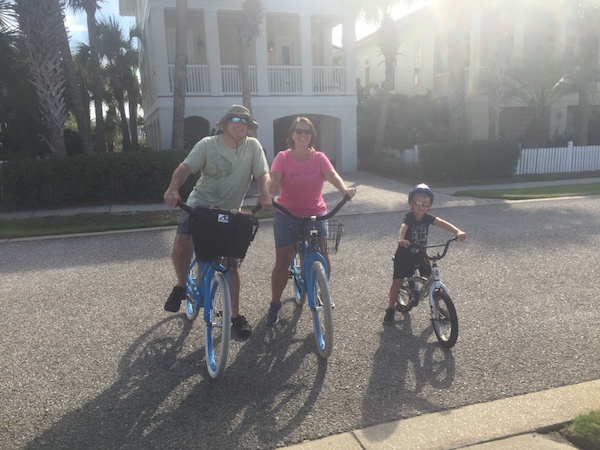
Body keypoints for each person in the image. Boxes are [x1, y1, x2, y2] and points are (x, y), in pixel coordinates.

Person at [163, 105, 272, 339]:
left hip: (230, 211)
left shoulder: (252, 147)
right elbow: (184, 168)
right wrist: (173, 188)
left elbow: (263, 174)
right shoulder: (207, 144)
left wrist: (264, 193)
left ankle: (236, 317)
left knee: (232, 263)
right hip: (199, 207)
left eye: (245, 120)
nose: (240, 123)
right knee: (182, 245)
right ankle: (181, 286)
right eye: (235, 119)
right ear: (225, 123)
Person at [265, 116, 356, 326]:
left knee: (323, 254)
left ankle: (323, 291)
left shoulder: (319, 157)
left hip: (315, 213)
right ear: (292, 134)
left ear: (311, 135)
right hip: (288, 215)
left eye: (307, 132)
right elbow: (274, 177)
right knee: (283, 261)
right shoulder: (283, 157)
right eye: (299, 131)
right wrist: (270, 194)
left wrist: (344, 190)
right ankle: (275, 303)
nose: (303, 135)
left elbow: (332, 174)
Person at [384, 183, 466, 324]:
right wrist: (401, 239)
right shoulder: (409, 217)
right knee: (397, 281)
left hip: (420, 253)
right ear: (411, 204)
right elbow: (403, 227)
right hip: (405, 254)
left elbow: (440, 222)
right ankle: (391, 308)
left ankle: (438, 307)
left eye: (426, 204)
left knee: (431, 279)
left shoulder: (428, 218)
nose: (422, 207)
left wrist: (457, 231)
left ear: (429, 206)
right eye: (418, 203)